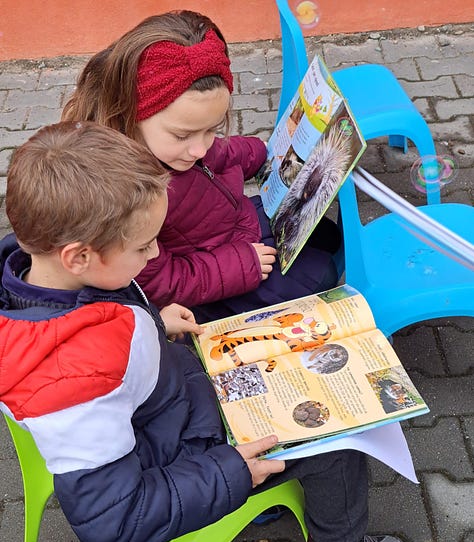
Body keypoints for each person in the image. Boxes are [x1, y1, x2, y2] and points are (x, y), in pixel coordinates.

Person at [0, 121, 405, 542]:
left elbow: (96, 324)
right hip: (183, 450)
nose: (154, 256)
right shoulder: (76, 379)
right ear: (79, 256)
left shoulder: (40, 279)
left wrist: (152, 318)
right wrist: (230, 471)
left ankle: (271, 498)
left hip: (173, 408)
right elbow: (113, 517)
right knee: (338, 434)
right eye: (143, 248)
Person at [61, 10, 342, 323]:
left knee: (328, 235)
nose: (199, 148)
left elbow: (219, 156)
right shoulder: (126, 196)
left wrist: (262, 151)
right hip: (214, 280)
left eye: (212, 128)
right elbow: (161, 281)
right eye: (182, 135)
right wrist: (239, 265)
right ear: (129, 113)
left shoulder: (179, 145)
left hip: (237, 226)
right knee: (322, 276)